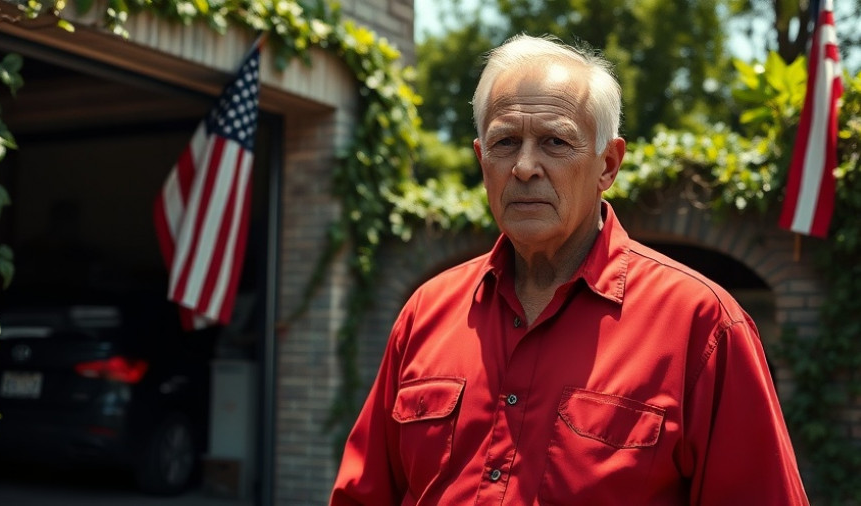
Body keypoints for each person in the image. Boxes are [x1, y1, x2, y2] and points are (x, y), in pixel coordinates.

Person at [329, 33, 809, 505]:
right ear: (481, 160)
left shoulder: (701, 325)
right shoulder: (426, 312)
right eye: (505, 142)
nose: (524, 167)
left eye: (555, 142)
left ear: (608, 165)